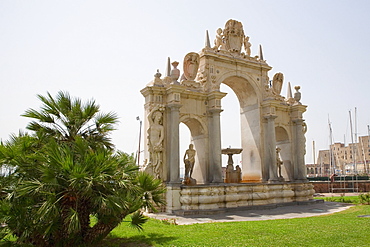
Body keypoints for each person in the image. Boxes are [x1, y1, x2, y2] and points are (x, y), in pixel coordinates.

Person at [148, 110, 164, 178]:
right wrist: (154, 109)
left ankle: (156, 172)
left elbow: (162, 136)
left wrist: (159, 143)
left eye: (160, 117)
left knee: (158, 159)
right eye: (158, 116)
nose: (159, 118)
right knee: (152, 157)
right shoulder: (152, 124)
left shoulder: (161, 127)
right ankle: (154, 172)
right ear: (154, 116)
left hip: (157, 142)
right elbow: (148, 117)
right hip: (151, 143)